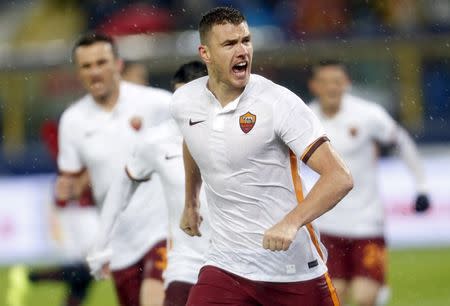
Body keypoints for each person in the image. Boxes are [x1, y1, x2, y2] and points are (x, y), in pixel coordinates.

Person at [171, 7, 353, 306]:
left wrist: (290, 223)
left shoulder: (278, 103)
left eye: (246, 40)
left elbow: (339, 177)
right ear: (205, 53)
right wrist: (191, 200)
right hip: (226, 265)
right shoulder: (184, 102)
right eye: (229, 44)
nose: (242, 51)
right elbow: (192, 141)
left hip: (292, 271)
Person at [56, 32, 172, 306]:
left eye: (101, 62)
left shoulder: (157, 104)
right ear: (78, 72)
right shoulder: (72, 121)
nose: (95, 72)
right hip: (119, 243)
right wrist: (68, 188)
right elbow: (72, 182)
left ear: (118, 64)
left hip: (162, 230)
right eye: (86, 66)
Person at [308, 60, 431, 306]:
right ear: (314, 86)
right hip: (327, 225)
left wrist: (422, 186)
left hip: (367, 223)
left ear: (347, 84)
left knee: (365, 298)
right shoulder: (305, 119)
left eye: (337, 82)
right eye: (325, 82)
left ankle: (378, 290)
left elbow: (402, 142)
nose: (332, 88)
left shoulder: (368, 114)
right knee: (336, 297)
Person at [88, 60, 210, 306]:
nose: (182, 107)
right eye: (177, 98)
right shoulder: (156, 141)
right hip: (185, 263)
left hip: (236, 262)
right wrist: (100, 243)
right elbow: (121, 187)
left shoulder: (238, 131)